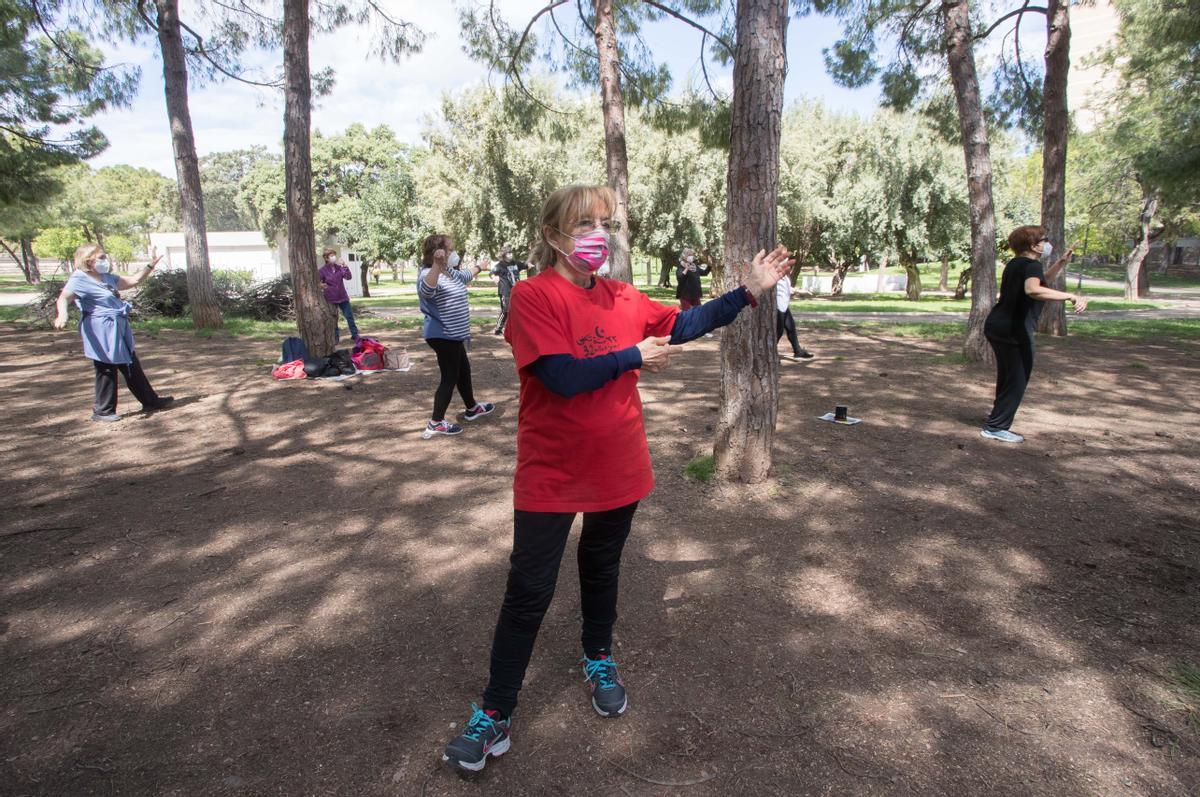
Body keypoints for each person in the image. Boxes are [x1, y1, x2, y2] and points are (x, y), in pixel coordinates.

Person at [441, 184, 794, 774]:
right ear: (554, 236)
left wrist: (748, 293)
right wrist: (634, 357)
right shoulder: (532, 297)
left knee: (602, 568)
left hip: (619, 466)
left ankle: (597, 657)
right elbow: (561, 377)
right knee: (528, 592)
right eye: (584, 224)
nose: (598, 234)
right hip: (550, 474)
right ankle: (496, 713)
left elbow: (685, 324)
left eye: (605, 222)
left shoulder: (622, 295)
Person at [981, 226, 1085, 443]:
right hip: (1014, 330)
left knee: (1009, 375)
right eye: (1044, 240)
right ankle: (996, 427)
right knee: (1017, 377)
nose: (1047, 243)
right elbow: (1033, 290)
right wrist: (1070, 296)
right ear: (1033, 245)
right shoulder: (1031, 265)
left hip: (998, 325)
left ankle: (997, 419)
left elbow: (1040, 281)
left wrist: (1061, 263)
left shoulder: (1018, 264)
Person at [52, 244, 174, 422]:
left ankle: (150, 401)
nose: (104, 260)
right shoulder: (79, 278)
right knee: (106, 366)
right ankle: (103, 411)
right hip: (99, 327)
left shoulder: (106, 277)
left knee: (130, 363)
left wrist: (150, 266)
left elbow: (133, 281)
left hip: (117, 326)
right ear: (89, 260)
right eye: (101, 257)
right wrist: (62, 314)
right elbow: (64, 298)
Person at [417, 234, 495, 439]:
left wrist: (480, 266)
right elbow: (427, 290)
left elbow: (466, 276)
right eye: (450, 250)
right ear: (438, 253)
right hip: (442, 334)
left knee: (463, 371)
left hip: (453, 335)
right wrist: (436, 264)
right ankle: (435, 422)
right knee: (450, 376)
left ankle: (472, 408)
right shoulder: (428, 273)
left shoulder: (450, 272)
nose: (454, 253)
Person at [319, 248, 359, 341]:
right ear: (326, 258)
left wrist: (344, 265)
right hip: (330, 298)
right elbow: (317, 282)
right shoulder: (322, 270)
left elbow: (348, 277)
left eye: (334, 255)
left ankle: (355, 335)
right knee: (333, 319)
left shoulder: (339, 268)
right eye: (331, 256)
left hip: (343, 297)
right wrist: (321, 285)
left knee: (349, 316)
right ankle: (335, 337)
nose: (333, 257)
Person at [490, 245, 527, 335]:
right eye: (508, 253)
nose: (511, 254)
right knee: (506, 310)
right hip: (505, 291)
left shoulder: (516, 263)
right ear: (504, 254)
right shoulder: (500, 265)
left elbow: (526, 265)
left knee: (517, 310)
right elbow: (491, 273)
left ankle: (515, 329)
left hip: (516, 291)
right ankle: (498, 329)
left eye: (511, 252)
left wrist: (533, 263)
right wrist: (494, 277)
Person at [775, 276, 814, 360]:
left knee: (791, 328)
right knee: (778, 331)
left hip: (784, 306)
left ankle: (798, 351)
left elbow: (786, 288)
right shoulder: (774, 276)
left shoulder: (784, 277)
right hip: (778, 307)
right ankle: (771, 352)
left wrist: (798, 290)